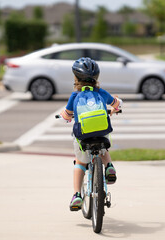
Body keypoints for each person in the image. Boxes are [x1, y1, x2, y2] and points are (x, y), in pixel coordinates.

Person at [60, 57, 123, 211]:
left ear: (76, 78)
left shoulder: (75, 96)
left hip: (83, 135)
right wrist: (115, 108)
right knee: (103, 147)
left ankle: (77, 195)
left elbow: (67, 115)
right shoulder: (101, 92)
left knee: (80, 162)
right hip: (102, 133)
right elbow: (117, 103)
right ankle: (109, 167)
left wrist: (65, 116)